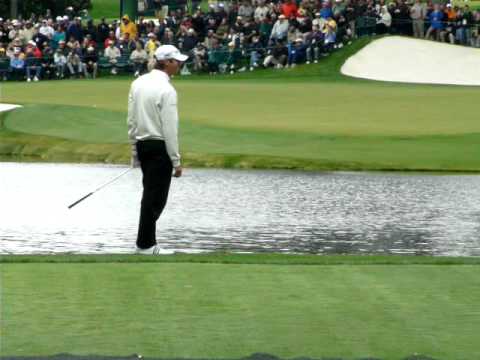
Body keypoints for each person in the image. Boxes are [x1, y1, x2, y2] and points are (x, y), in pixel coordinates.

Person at [127, 44, 188, 255]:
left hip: (143, 145)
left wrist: (135, 152)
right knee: (156, 198)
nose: (180, 65)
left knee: (150, 195)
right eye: (177, 61)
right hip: (159, 146)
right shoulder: (167, 90)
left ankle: (145, 243)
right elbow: (170, 129)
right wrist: (176, 161)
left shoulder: (138, 83)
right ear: (167, 63)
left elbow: (131, 121)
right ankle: (145, 245)